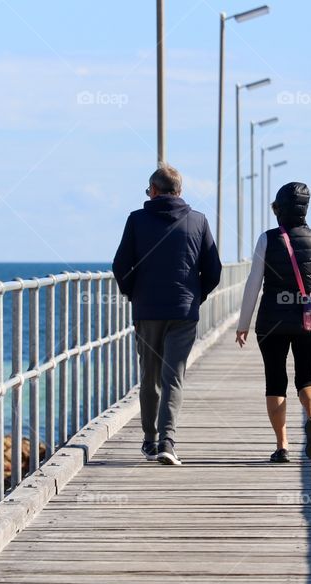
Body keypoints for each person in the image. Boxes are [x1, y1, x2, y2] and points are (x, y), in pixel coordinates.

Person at [113, 164, 222, 465]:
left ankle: (149, 440)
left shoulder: (136, 220)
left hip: (147, 311)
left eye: (148, 190)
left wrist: (132, 293)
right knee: (173, 376)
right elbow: (213, 269)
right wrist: (196, 296)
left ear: (155, 190)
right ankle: (167, 441)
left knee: (150, 376)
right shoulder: (198, 221)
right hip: (183, 311)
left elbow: (121, 265)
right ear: (180, 192)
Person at [235, 182, 311, 463]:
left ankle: (282, 446)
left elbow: (253, 285)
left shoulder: (267, 239)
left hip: (272, 322)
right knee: (308, 377)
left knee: (275, 381)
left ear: (279, 209)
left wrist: (243, 324)